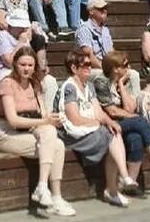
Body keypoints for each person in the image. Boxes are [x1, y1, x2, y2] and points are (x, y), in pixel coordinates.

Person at [0, 45, 76, 215]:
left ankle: (53, 194)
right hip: (8, 133)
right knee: (54, 143)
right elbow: (12, 119)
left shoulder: (35, 84)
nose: (26, 69)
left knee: (56, 143)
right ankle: (46, 190)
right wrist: (45, 121)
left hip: (31, 130)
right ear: (15, 64)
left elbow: (43, 113)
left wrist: (52, 119)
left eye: (30, 65)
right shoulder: (7, 84)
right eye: (23, 64)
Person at [53, 49, 140, 207]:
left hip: (88, 129)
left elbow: (99, 113)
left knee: (114, 131)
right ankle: (118, 183)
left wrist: (109, 121)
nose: (89, 68)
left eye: (89, 64)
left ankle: (118, 185)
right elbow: (74, 118)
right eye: (85, 65)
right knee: (111, 136)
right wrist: (101, 124)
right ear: (73, 68)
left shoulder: (89, 86)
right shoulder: (69, 88)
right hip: (69, 133)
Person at [94, 50, 150, 188]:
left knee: (136, 138)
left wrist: (121, 85)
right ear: (115, 69)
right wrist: (135, 117)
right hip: (104, 124)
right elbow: (111, 110)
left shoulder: (121, 81)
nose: (128, 68)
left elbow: (130, 108)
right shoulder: (101, 82)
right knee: (141, 121)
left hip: (120, 123)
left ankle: (130, 183)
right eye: (125, 65)